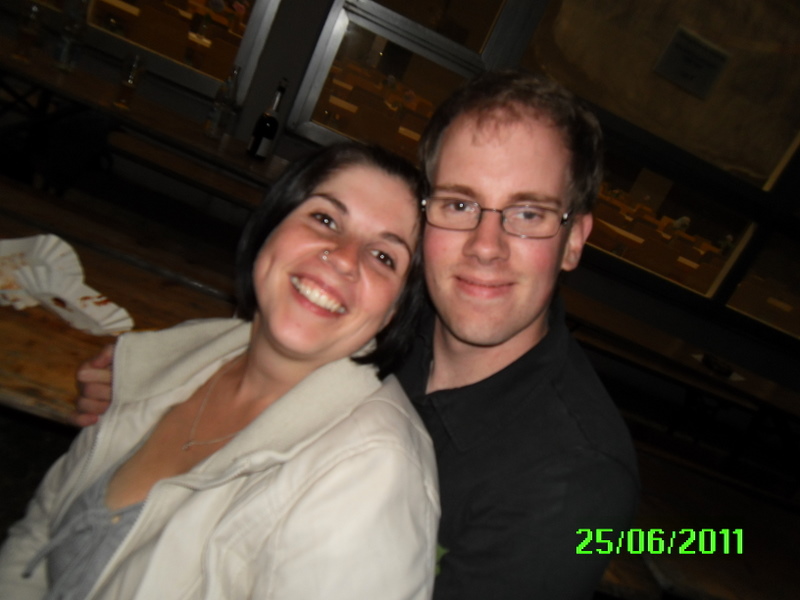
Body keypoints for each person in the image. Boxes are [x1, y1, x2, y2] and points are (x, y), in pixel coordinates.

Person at [70, 71, 639, 599]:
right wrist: (154, 376)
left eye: (529, 214)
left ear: (573, 240)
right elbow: (276, 338)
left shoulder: (577, 484)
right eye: (460, 204)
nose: (485, 247)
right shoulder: (394, 308)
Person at [0, 143, 440, 600]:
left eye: (384, 257)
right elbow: (39, 537)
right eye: (325, 219)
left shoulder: (371, 476)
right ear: (272, 226)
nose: (345, 258)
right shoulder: (176, 357)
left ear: (394, 311)